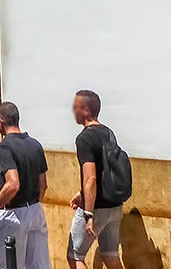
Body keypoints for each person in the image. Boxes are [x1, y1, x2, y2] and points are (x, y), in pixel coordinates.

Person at [0, 102, 48, 269]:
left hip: (12, 214)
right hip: (35, 210)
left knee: (5, 265)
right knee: (37, 265)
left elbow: (13, 184)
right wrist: (30, 206)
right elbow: (43, 185)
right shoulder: (35, 144)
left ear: (1, 120)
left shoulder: (5, 147)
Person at [68, 90, 125, 269]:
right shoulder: (108, 133)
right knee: (110, 255)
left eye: (76, 107)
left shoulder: (84, 138)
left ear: (85, 110)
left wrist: (88, 214)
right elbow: (106, 170)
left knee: (75, 256)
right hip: (115, 206)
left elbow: (91, 177)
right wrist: (81, 193)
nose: (73, 111)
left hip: (96, 208)